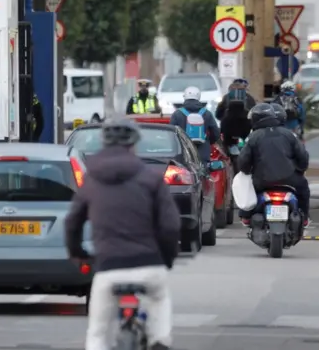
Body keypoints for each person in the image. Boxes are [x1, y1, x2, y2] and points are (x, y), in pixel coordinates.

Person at [64, 117, 180, 350]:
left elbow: (72, 223)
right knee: (159, 298)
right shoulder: (151, 179)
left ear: (104, 143)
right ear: (134, 144)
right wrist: (166, 259)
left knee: (97, 333)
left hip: (109, 267)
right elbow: (170, 226)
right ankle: (160, 341)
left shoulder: (91, 180)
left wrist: (79, 254)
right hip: (148, 264)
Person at [238, 103, 311, 227]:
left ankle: (246, 216)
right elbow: (303, 156)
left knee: (247, 190)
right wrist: (300, 169)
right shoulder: (288, 134)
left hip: (262, 180)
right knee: (303, 189)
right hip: (290, 179)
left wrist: (247, 171)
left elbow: (243, 161)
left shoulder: (253, 137)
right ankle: (304, 218)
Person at [169, 86, 220, 164]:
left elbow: (171, 134)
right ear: (198, 97)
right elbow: (216, 133)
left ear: (185, 96)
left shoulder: (177, 114)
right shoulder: (207, 113)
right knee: (203, 174)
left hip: (183, 153)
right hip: (202, 153)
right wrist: (207, 141)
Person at [215, 78, 256, 150]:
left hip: (228, 130)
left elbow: (218, 114)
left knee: (226, 148)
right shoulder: (250, 98)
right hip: (245, 130)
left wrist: (223, 117)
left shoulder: (226, 97)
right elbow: (254, 113)